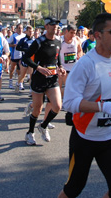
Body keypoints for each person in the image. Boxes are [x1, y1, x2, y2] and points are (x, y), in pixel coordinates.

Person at [58, 13, 111, 198]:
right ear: (98, 35)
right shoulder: (86, 64)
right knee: (73, 189)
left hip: (109, 137)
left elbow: (110, 96)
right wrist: (104, 108)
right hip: (84, 137)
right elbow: (69, 102)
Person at [22, 17, 64, 145]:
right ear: (46, 27)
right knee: (37, 109)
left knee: (57, 106)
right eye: (52, 25)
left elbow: (56, 57)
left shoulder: (58, 41)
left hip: (52, 78)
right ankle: (30, 133)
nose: (55, 27)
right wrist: (38, 68)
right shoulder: (39, 42)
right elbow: (26, 57)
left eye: (56, 25)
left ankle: (43, 126)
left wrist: (60, 67)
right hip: (39, 79)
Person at [15, 25, 35, 92]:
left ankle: (30, 90)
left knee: (31, 75)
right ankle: (18, 83)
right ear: (26, 32)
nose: (30, 33)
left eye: (31, 31)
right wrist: (25, 49)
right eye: (29, 31)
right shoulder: (23, 40)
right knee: (22, 75)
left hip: (32, 59)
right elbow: (17, 47)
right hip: (25, 59)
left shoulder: (35, 40)